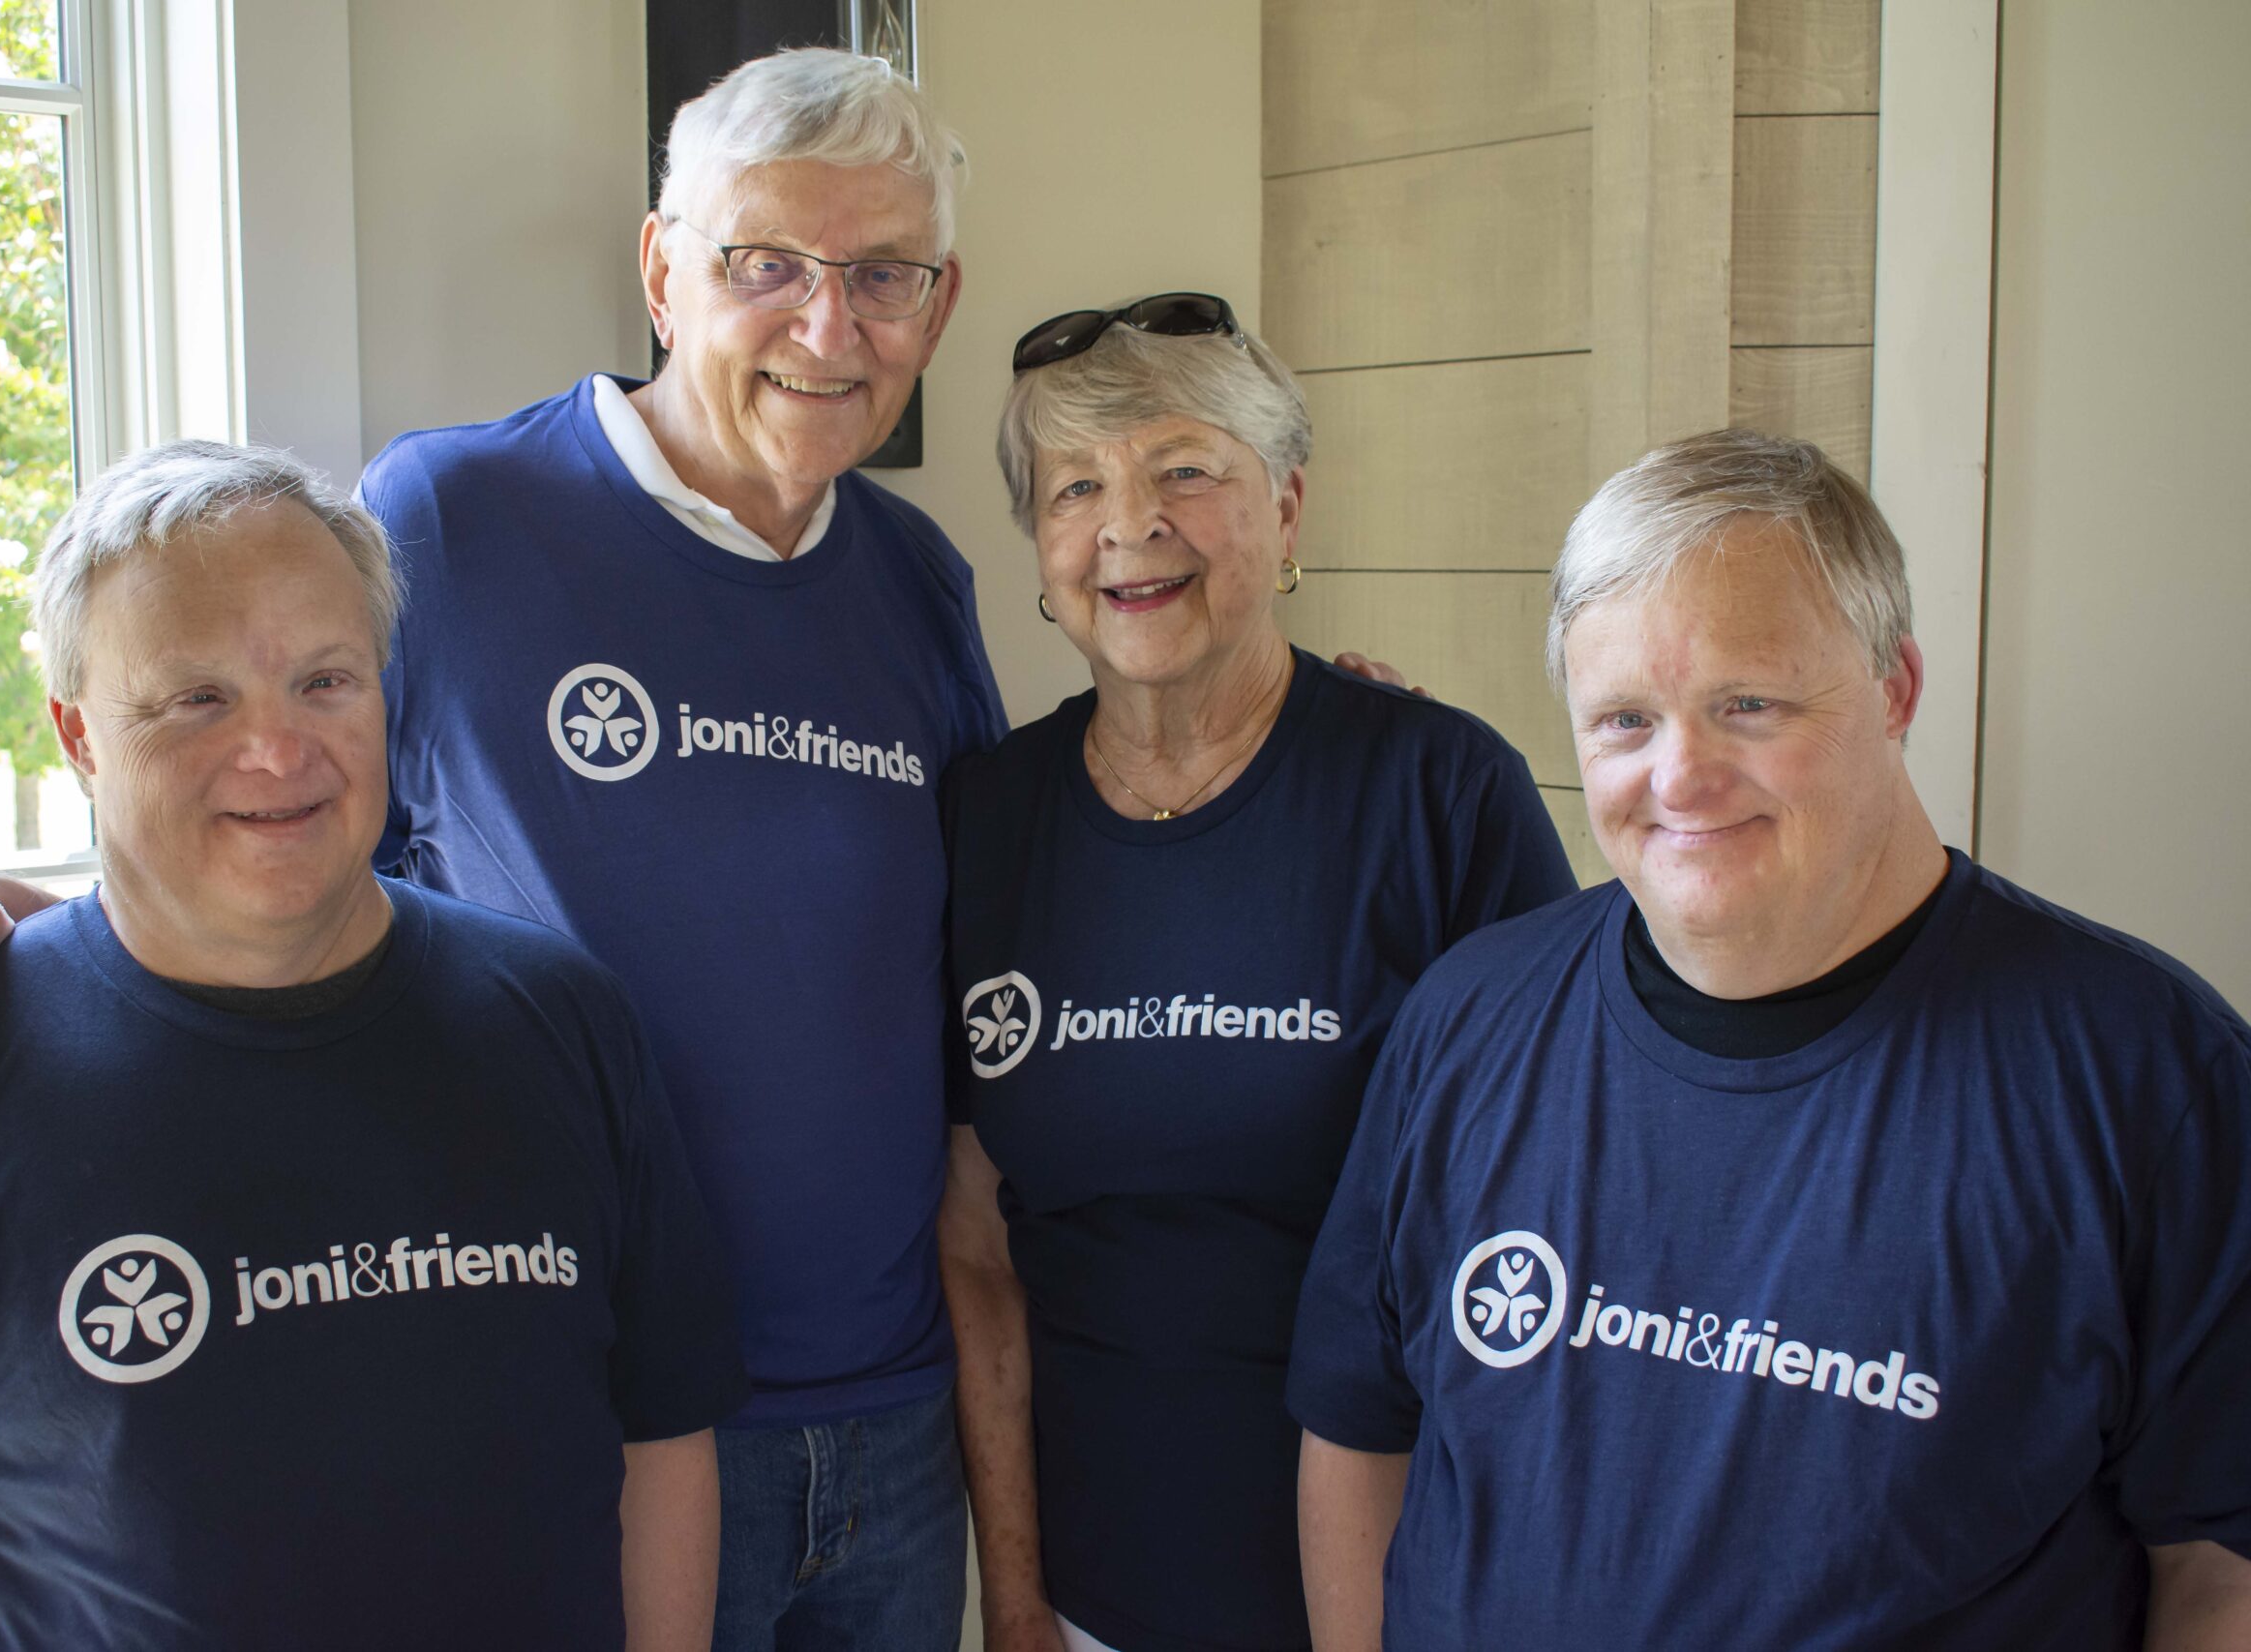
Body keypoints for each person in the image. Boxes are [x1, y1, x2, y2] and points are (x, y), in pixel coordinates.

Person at [0, 50, 997, 1651]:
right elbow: (263, 779)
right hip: (591, 1411)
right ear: (659, 269)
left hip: (889, 1414)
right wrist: (35, 933)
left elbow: (1004, 926)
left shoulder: (918, 578)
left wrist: (1312, 725)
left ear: (940, 300)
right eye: (763, 262)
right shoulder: (460, 512)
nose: (826, 325)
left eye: (882, 275)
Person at [0, 441, 749, 1650]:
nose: (279, 753)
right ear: (78, 736)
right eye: (198, 699)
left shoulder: (560, 1019)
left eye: (326, 682)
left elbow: (660, 1437)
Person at [1289, 429, 2251, 1650]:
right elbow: (1360, 1433)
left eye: (1747, 704)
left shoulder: (2146, 1081)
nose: (1678, 775)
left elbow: (2220, 1556)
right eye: (1625, 720)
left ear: (1895, 689)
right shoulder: (1467, 1022)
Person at [939, 294, 1576, 1652]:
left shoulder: (1441, 790)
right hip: (1092, 1597)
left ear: (1285, 513)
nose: (1129, 524)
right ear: (1043, 552)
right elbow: (978, 1248)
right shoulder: (986, 817)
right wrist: (1014, 1596)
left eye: (1185, 468)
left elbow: (1547, 1221)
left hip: (1402, 1590)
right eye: (1076, 487)